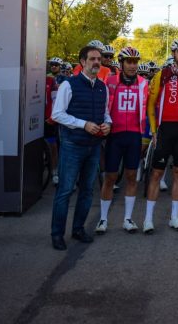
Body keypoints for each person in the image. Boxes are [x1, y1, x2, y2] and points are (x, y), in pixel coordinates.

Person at [50, 44, 111, 250]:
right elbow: (57, 114)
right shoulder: (69, 84)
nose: (96, 62)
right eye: (92, 59)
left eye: (98, 59)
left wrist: (107, 124)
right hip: (72, 145)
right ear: (82, 62)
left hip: (93, 147)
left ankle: (78, 229)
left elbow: (105, 113)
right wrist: (83, 124)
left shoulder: (102, 87)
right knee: (66, 191)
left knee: (86, 191)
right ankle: (57, 234)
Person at [144, 38, 178, 234]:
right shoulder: (163, 74)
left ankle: (175, 217)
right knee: (157, 173)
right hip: (165, 130)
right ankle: (148, 219)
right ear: (174, 54)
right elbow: (151, 104)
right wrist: (153, 130)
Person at [95, 47, 147, 235]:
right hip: (114, 135)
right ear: (122, 63)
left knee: (132, 177)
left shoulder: (143, 83)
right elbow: (101, 105)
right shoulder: (109, 81)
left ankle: (128, 218)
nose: (133, 65)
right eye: (129, 62)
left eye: (135, 62)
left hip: (134, 135)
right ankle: (103, 219)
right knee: (110, 177)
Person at [45, 57, 63, 185]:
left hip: (50, 120)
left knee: (53, 146)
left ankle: (55, 171)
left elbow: (56, 100)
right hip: (37, 119)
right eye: (52, 64)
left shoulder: (51, 80)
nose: (54, 66)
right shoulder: (45, 77)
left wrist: (53, 117)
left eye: (56, 65)